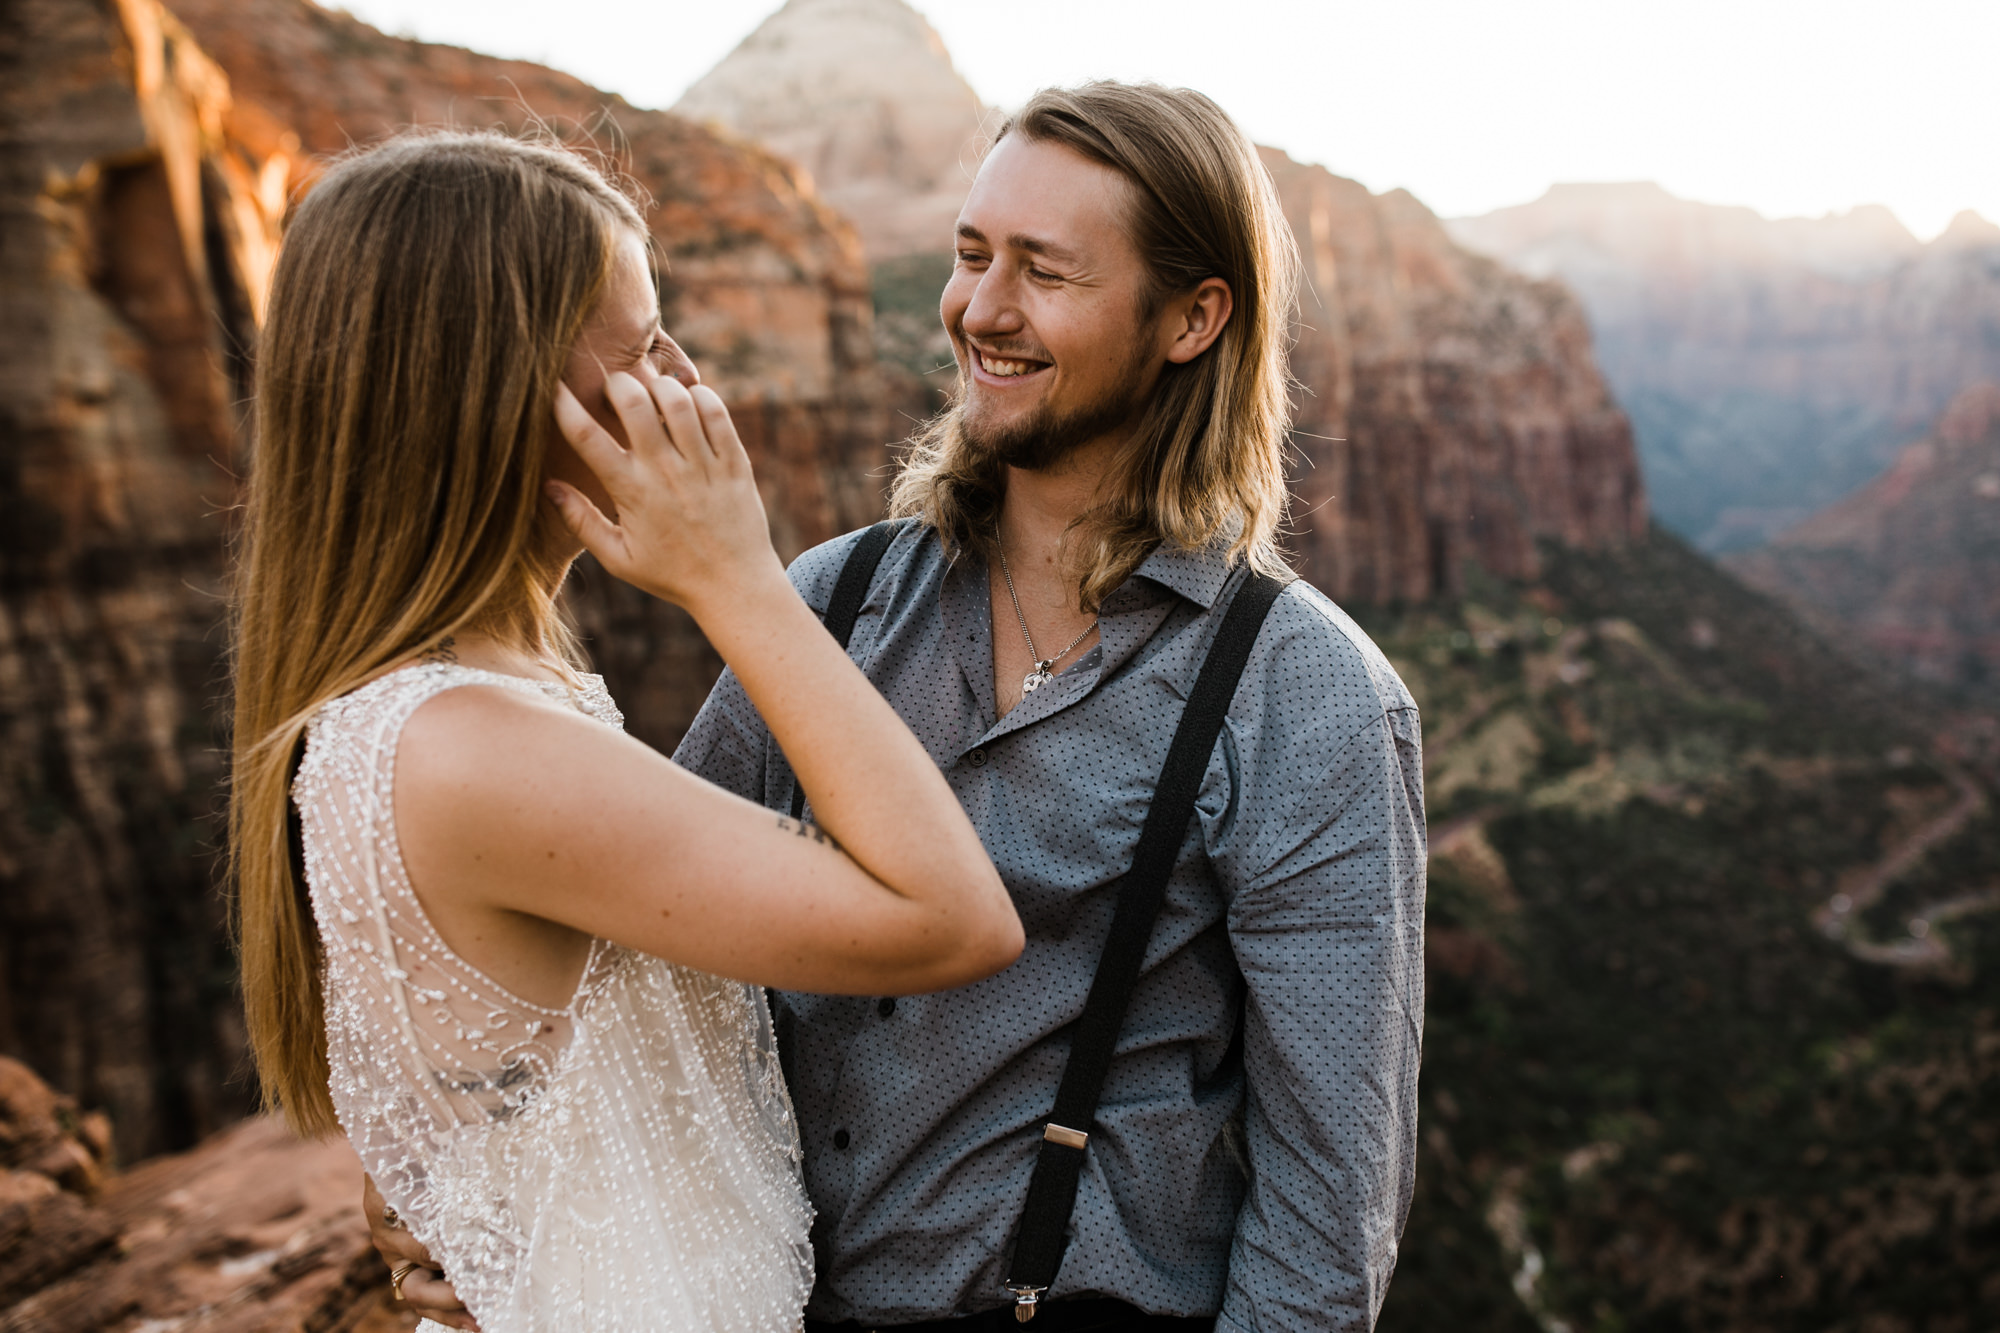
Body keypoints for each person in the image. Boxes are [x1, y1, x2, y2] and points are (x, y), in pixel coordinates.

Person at [386, 81, 1425, 1333]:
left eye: (1044, 271)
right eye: (971, 256)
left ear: (1191, 318)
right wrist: (503, 1202)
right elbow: (640, 962)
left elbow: (1326, 1208)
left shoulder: (1305, 693)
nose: (981, 311)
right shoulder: (832, 601)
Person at [231, 129, 1024, 1333]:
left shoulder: (464, 704)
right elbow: (952, 916)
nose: (689, 381)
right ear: (496, 390)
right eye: (645, 344)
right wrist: (738, 582)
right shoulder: (468, 747)